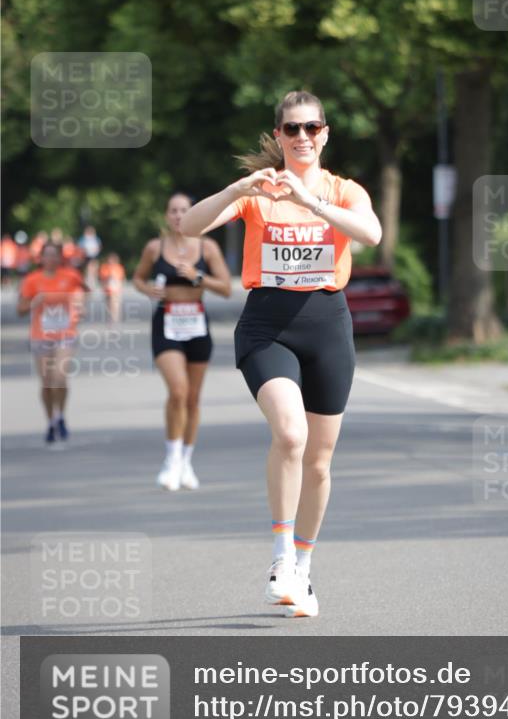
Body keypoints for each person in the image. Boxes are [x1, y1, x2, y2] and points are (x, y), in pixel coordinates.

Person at [181, 90, 382, 618]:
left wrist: (313, 203)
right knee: (290, 434)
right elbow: (188, 226)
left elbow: (373, 233)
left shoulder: (342, 190)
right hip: (268, 328)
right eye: (291, 129)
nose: (301, 138)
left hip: (328, 329)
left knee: (318, 460)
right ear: (278, 136)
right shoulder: (258, 193)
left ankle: (304, 570)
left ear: (325, 134)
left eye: (311, 128)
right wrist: (240, 187)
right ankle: (279, 560)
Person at [132, 193, 232, 491]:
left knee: (193, 398)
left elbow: (226, 288)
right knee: (178, 391)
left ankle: (187, 460)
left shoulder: (207, 247)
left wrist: (197, 276)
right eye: (173, 211)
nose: (178, 216)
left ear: (193, 214)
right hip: (166, 323)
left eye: (184, 210)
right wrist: (147, 289)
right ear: (166, 216)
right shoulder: (155, 248)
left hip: (197, 324)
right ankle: (172, 459)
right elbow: (137, 278)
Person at [17, 240, 87, 444]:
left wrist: (81, 305)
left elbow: (84, 292)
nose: (50, 259)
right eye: (46, 255)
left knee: (60, 378)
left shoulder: (71, 276)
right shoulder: (32, 280)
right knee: (47, 383)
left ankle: (61, 415)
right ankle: (51, 420)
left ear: (60, 257)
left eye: (54, 255)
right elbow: (20, 310)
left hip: (65, 334)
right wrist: (33, 302)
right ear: (40, 258)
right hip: (40, 336)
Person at [99, 252, 126, 323]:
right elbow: (102, 278)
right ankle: (109, 319)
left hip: (116, 290)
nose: (110, 261)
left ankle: (115, 319)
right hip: (107, 289)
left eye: (112, 260)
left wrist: (120, 287)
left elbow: (121, 279)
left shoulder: (119, 268)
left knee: (115, 305)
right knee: (108, 305)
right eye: (109, 260)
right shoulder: (104, 267)